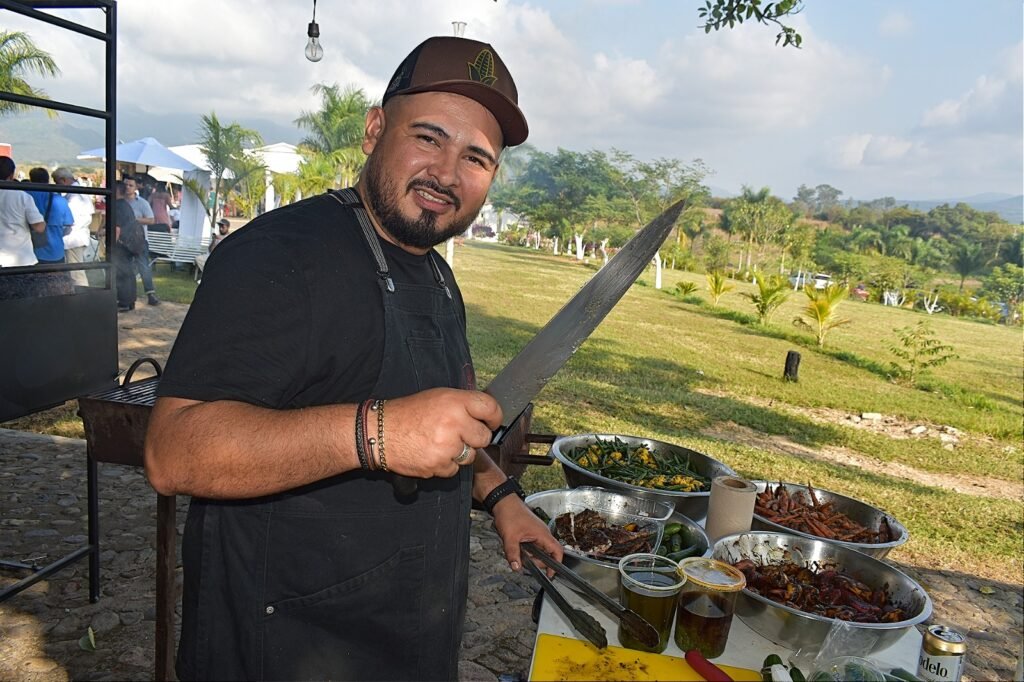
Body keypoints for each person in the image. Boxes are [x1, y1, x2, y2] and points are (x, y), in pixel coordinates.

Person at [144, 36, 560, 681]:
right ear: (374, 130)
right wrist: (376, 433)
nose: (447, 174)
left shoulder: (437, 275)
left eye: (476, 157)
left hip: (406, 631)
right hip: (286, 644)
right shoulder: (279, 255)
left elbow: (445, 428)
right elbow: (174, 452)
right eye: (429, 138)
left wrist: (501, 496)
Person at [53, 167, 95, 286]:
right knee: (75, 272)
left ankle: (81, 299)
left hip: (73, 237)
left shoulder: (74, 196)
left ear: (63, 180)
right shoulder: (78, 192)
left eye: (57, 182)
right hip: (77, 236)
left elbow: (70, 220)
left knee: (76, 273)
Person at [123, 176, 160, 306]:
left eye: (130, 185)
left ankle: (151, 294)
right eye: (126, 185)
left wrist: (134, 219)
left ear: (136, 187)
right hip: (123, 241)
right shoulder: (120, 202)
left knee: (144, 267)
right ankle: (127, 296)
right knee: (125, 268)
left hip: (139, 240)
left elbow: (151, 220)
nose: (127, 187)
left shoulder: (142, 203)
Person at [26, 167, 73, 265]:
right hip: (56, 252)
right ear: (48, 180)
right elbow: (68, 227)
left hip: (31, 253)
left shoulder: (25, 197)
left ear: (31, 179)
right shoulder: (60, 200)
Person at [111, 180, 144, 312]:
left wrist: (112, 246)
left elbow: (117, 229)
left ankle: (124, 302)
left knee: (122, 273)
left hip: (122, 244)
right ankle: (130, 301)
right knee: (128, 273)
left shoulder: (118, 206)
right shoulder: (125, 205)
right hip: (129, 243)